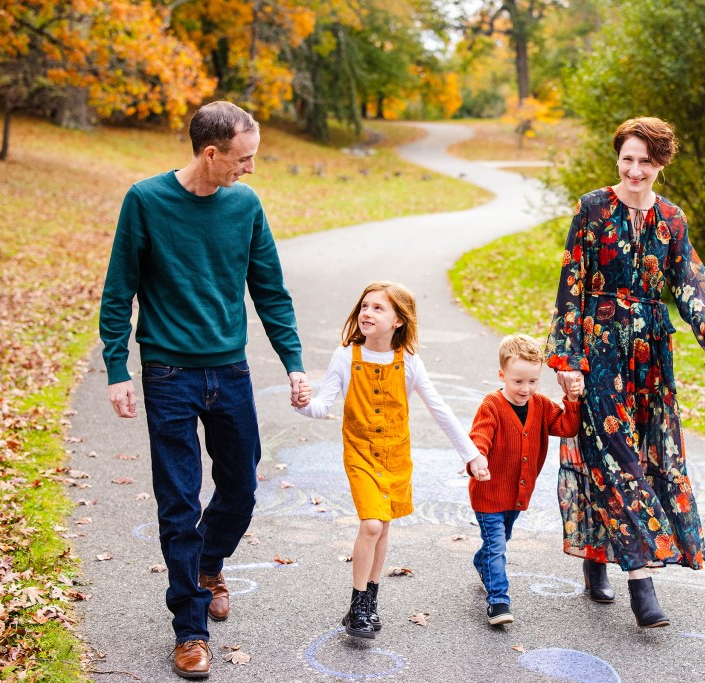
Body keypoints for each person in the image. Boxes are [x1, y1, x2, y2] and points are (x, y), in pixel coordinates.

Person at [99, 101, 310, 679]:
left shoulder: (245, 205)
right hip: (167, 373)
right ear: (210, 153)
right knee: (178, 501)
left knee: (240, 488)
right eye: (243, 159)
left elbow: (270, 289)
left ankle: (208, 564)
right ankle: (190, 629)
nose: (250, 169)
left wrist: (292, 362)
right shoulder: (145, 201)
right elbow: (120, 291)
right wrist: (117, 368)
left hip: (230, 371)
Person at [546, 116, 705, 628]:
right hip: (599, 348)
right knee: (615, 456)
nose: (634, 169)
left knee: (644, 456)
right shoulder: (592, 208)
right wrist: (568, 361)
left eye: (645, 161)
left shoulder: (672, 219)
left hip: (651, 355)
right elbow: (572, 282)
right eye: (627, 158)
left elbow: (689, 283)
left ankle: (597, 557)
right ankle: (641, 580)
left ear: (661, 164)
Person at [294, 280, 491, 639]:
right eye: (364, 305)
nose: (367, 312)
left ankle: (370, 601)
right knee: (371, 524)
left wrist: (471, 455)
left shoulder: (409, 362)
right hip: (360, 453)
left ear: (399, 320)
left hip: (396, 456)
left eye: (378, 308)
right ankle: (357, 606)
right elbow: (322, 406)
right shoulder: (346, 355)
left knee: (382, 526)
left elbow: (440, 410)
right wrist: (304, 402)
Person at [467, 334, 583, 626]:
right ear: (502, 375)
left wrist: (572, 400)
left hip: (517, 494)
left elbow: (567, 428)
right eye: (518, 381)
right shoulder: (491, 405)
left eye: (532, 381)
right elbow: (479, 437)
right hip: (488, 491)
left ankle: (481, 563)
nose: (525, 388)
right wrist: (476, 460)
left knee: (500, 540)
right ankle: (498, 601)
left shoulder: (541, 405)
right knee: (497, 546)